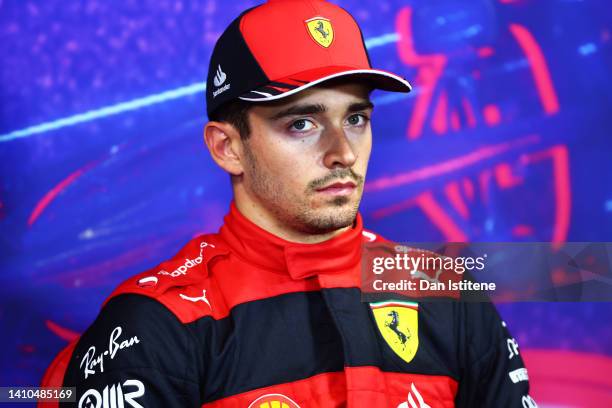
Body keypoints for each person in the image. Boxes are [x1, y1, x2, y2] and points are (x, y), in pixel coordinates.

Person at [42, 1, 536, 407]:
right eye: (301, 123)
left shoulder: (446, 294)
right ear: (227, 147)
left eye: (357, 119)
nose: (342, 153)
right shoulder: (159, 324)